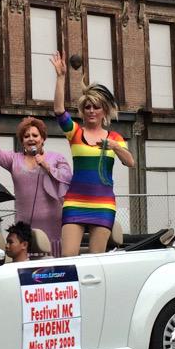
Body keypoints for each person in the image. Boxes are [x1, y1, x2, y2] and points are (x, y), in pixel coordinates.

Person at [50, 52, 136, 256]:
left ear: (104, 111)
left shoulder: (115, 136)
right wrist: (61, 78)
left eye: (96, 107)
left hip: (102, 204)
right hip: (75, 203)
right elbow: (59, 110)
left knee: (96, 260)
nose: (91, 110)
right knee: (68, 257)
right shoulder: (75, 132)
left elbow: (130, 162)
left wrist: (114, 146)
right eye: (87, 107)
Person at [0, 112, 73, 256]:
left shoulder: (56, 158)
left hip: (53, 225)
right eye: (26, 136)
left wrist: (47, 166)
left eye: (35, 135)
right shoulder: (14, 159)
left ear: (43, 139)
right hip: (24, 227)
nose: (31, 139)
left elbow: (67, 178)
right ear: (22, 141)